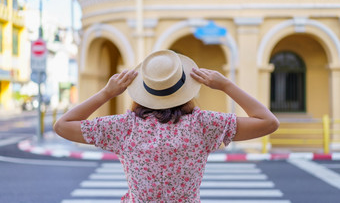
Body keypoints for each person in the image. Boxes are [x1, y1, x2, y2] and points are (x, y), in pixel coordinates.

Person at [54, 49, 279, 202]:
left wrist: (107, 93)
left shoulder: (123, 127)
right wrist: (226, 85)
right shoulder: (204, 125)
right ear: (185, 89)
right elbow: (268, 122)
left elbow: (63, 125)